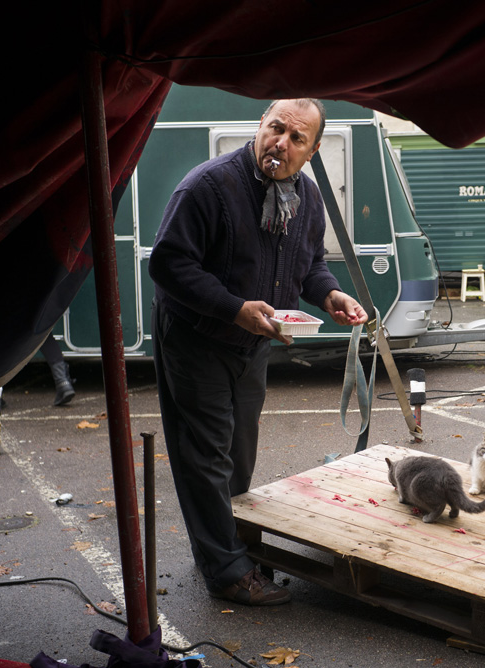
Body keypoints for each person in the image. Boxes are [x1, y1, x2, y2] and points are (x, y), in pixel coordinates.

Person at [148, 99, 367, 607]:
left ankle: (228, 546)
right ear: (260, 126)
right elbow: (168, 264)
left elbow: (308, 264)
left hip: (253, 343)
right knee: (204, 454)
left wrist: (330, 294)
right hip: (197, 339)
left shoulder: (306, 197)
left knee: (237, 455)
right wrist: (233, 309)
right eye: (276, 129)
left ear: (311, 152)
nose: (281, 144)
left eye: (297, 139)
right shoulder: (209, 186)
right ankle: (226, 571)